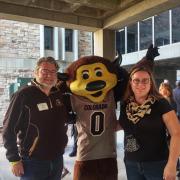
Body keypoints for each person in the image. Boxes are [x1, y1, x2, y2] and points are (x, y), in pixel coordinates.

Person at [119, 44, 180, 180]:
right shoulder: (125, 104)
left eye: (145, 80)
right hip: (131, 163)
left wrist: (171, 164)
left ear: (151, 83)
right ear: (130, 83)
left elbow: (176, 133)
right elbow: (121, 124)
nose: (140, 84)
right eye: (136, 80)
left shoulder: (160, 103)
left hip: (157, 164)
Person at [2, 57, 68, 180]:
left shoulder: (57, 95)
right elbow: (8, 129)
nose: (49, 75)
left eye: (53, 72)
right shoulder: (23, 95)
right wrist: (14, 159)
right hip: (33, 162)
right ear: (36, 72)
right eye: (44, 71)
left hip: (57, 159)